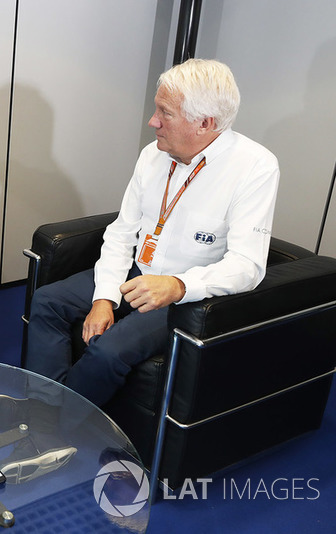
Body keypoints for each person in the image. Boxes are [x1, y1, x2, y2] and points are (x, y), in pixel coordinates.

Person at [25, 58, 279, 406]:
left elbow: (248, 266)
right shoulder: (152, 155)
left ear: (204, 123)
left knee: (106, 352)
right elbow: (122, 232)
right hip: (137, 273)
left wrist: (177, 286)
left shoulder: (255, 166)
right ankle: (43, 406)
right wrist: (103, 298)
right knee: (47, 301)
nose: (152, 121)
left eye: (165, 113)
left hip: (186, 294)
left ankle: (60, 429)